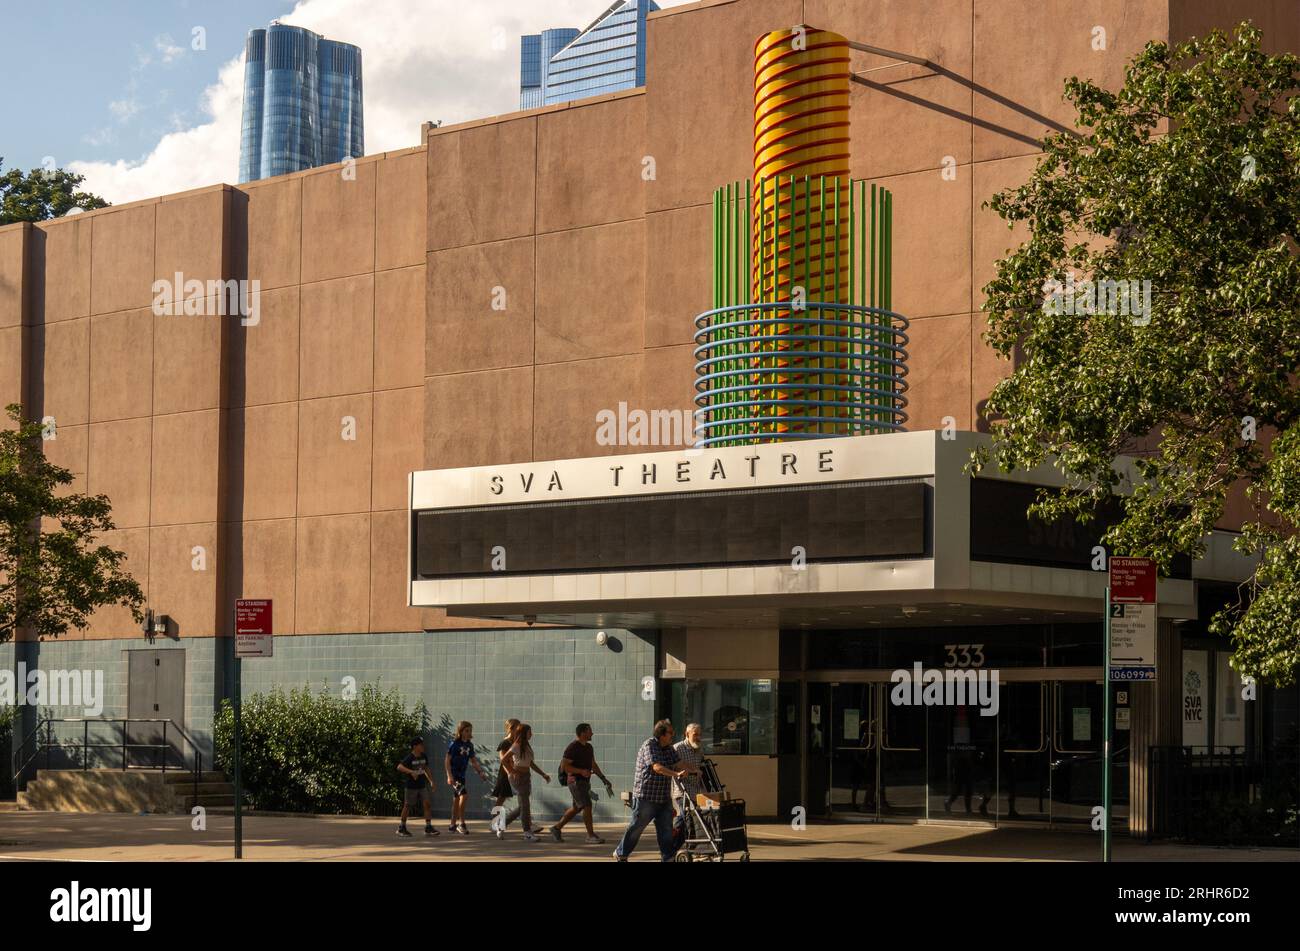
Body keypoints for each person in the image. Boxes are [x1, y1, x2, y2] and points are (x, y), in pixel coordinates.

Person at [613, 719, 692, 862]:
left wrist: (694, 769)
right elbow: (657, 767)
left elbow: (680, 763)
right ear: (662, 734)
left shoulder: (669, 748)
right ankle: (621, 853)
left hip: (663, 797)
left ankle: (667, 857)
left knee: (666, 830)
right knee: (637, 827)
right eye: (670, 733)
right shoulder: (649, 745)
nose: (672, 735)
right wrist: (676, 774)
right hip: (646, 797)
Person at [552, 722, 614, 844]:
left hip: (584, 782)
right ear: (583, 733)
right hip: (575, 781)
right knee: (587, 805)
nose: (592, 733)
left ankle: (556, 828)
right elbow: (565, 767)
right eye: (590, 731)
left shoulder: (589, 747)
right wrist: (581, 771)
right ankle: (590, 835)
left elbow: (593, 764)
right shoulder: (573, 747)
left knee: (576, 807)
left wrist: (603, 779)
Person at [499, 722, 550, 841]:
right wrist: (512, 771)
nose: (531, 734)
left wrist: (543, 774)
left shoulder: (526, 746)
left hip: (526, 776)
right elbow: (504, 760)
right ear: (523, 733)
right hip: (518, 777)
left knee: (523, 806)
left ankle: (501, 825)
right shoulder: (516, 746)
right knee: (525, 805)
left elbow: (531, 763)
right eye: (529, 732)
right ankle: (527, 832)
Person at [445, 721, 490, 834]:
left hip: (462, 776)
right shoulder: (454, 744)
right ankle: (462, 824)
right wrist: (449, 775)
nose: (469, 732)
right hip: (455, 776)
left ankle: (452, 825)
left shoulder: (469, 745)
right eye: (466, 730)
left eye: (470, 730)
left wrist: (480, 772)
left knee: (456, 800)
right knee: (464, 795)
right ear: (461, 731)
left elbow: (474, 761)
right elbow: (447, 760)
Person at [396, 736, 439, 838]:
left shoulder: (424, 756)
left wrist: (431, 781)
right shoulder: (410, 757)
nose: (423, 746)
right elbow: (399, 767)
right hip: (411, 786)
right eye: (420, 744)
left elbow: (426, 769)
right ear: (415, 746)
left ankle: (428, 827)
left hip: (422, 785)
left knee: (427, 804)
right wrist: (411, 772)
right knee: (407, 805)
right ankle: (401, 827)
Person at [671, 722, 706, 841]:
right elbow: (674, 766)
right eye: (695, 735)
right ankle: (690, 844)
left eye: (699, 735)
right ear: (687, 734)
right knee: (688, 818)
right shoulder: (677, 748)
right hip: (682, 791)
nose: (698, 738)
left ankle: (672, 842)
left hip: (695, 791)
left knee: (684, 818)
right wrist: (691, 770)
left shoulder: (699, 750)